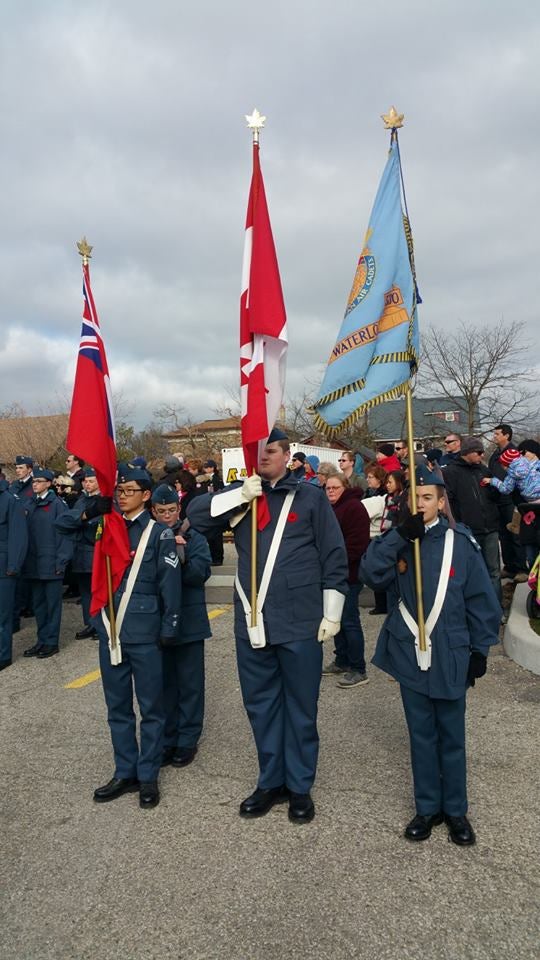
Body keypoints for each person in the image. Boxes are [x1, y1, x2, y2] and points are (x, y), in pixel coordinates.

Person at [188, 428, 348, 824]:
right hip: (252, 621)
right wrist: (240, 495)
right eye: (258, 450)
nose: (264, 456)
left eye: (272, 450)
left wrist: (333, 612)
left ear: (286, 454)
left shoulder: (310, 497)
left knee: (301, 707)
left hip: (299, 620)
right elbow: (195, 515)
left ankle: (299, 785)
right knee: (261, 705)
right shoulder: (243, 494)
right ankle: (270, 780)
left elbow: (333, 553)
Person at [361, 464, 500, 846]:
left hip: (451, 652)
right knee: (421, 734)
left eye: (428, 497)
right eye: (415, 497)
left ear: (441, 502)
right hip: (410, 652)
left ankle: (455, 810)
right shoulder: (399, 539)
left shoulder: (461, 542)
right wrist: (399, 537)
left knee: (451, 736)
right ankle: (427, 808)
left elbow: (481, 601)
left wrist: (480, 650)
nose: (420, 503)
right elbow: (370, 575)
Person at [92, 464, 183, 810]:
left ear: (146, 495)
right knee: (117, 707)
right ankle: (125, 771)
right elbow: (66, 528)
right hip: (112, 630)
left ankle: (148, 775)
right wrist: (92, 506)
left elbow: (169, 585)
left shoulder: (159, 533)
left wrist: (169, 626)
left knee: (151, 708)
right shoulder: (107, 525)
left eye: (129, 490)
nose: (122, 495)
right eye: (119, 490)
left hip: (145, 632)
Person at [151, 484, 211, 769]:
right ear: (153, 511)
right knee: (164, 683)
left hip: (189, 620)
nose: (167, 516)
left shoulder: (193, 536)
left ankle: (187, 738)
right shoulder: (149, 537)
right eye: (161, 511)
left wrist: (180, 557)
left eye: (171, 510)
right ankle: (168, 737)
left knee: (190, 683)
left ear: (179, 509)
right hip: (157, 621)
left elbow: (201, 573)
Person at [323, 473, 370, 687]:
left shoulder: (354, 508)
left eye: (335, 487)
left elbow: (357, 544)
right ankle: (342, 659)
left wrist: (336, 562)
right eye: (328, 488)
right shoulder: (331, 508)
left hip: (349, 574)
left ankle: (358, 668)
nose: (331, 491)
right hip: (332, 574)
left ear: (345, 487)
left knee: (350, 621)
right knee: (336, 619)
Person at [22, 469, 73, 659]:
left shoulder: (57, 505)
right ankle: (41, 640)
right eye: (33, 481)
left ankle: (51, 642)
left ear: (49, 483)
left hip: (51, 564)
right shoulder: (29, 503)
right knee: (39, 606)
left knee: (52, 606)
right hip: (34, 564)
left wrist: (61, 561)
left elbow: (65, 535)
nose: (34, 484)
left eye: (39, 481)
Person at [444, 438, 502, 603]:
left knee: (494, 571)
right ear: (468, 452)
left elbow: (495, 495)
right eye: (479, 452)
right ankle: (477, 607)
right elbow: (449, 503)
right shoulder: (451, 472)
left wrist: (495, 487)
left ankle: (496, 607)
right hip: (468, 530)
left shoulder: (483, 470)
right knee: (472, 571)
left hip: (490, 527)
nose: (482, 455)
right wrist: (458, 525)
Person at [54, 468, 103, 639]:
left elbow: (96, 524)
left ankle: (100, 624)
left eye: (91, 481)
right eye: (85, 481)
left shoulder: (104, 500)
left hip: (95, 550)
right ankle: (90, 623)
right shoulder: (82, 500)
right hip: (80, 552)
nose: (87, 484)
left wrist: (82, 521)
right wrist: (82, 519)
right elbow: (67, 521)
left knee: (99, 591)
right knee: (86, 591)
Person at [488, 424, 527, 581]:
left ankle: (522, 568)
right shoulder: (495, 455)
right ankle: (510, 566)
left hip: (511, 499)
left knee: (514, 533)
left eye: (497, 434)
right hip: (497, 499)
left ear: (507, 435)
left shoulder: (515, 453)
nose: (494, 436)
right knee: (503, 534)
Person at [0, 478, 28, 670]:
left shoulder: (10, 500)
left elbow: (18, 536)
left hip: (3, 568)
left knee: (2, 616)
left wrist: (13, 566)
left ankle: (3, 655)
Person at [202, 460, 225, 565]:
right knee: (210, 536)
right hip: (208, 508)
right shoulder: (204, 479)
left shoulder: (216, 479)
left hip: (216, 508)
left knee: (217, 536)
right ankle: (213, 557)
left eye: (208, 467)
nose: (206, 469)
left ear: (212, 468)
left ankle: (218, 558)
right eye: (205, 467)